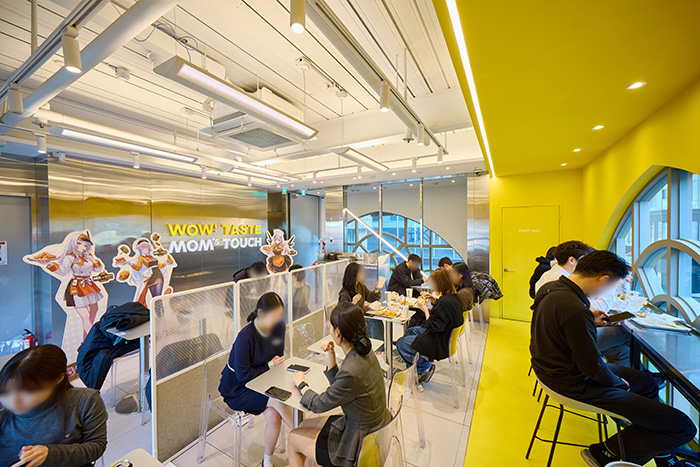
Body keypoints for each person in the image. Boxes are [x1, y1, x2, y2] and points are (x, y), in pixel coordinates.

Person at [530, 251, 696, 467]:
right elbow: (593, 368)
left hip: (551, 371)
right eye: (612, 287)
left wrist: (589, 318)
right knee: (684, 427)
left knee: (646, 382)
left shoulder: (553, 289)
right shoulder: (575, 309)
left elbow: (562, 324)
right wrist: (617, 383)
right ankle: (605, 452)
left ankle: (657, 449)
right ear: (604, 279)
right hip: (572, 382)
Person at [287, 302, 391, 467]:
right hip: (374, 428)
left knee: (293, 437)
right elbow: (343, 387)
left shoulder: (351, 369)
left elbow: (319, 404)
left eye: (330, 327)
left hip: (358, 441)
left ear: (338, 332)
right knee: (303, 425)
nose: (329, 330)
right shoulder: (365, 350)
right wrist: (331, 355)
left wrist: (302, 386)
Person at [0, 345, 108, 467]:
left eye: (27, 392)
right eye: (5, 393)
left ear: (58, 379)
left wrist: (51, 454)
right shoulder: (3, 412)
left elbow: (97, 445)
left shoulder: (84, 401)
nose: (13, 402)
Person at [219, 292, 293, 467]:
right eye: (274, 316)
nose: (277, 320)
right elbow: (243, 376)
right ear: (260, 313)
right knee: (277, 400)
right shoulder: (245, 337)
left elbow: (278, 357)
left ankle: (267, 461)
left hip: (264, 382)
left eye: (279, 315)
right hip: (238, 389)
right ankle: (304, 434)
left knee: (274, 415)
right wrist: (270, 365)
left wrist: (273, 367)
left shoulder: (279, 327)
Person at [534, 240, 632, 367]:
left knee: (621, 350)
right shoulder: (565, 288)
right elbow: (585, 309)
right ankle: (635, 376)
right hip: (563, 348)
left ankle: (629, 375)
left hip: (549, 344)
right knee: (625, 334)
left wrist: (590, 316)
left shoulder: (552, 279)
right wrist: (613, 287)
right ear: (572, 260)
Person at [396, 269, 464, 383]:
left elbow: (434, 326)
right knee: (410, 331)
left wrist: (425, 310)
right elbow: (443, 315)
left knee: (401, 343)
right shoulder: (453, 296)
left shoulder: (445, 301)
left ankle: (423, 368)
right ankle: (420, 363)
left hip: (438, 342)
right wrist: (433, 300)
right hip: (445, 336)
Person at [338, 262, 383, 340]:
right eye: (361, 273)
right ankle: (378, 346)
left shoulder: (360, 287)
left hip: (360, 317)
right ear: (354, 275)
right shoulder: (344, 293)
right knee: (372, 323)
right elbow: (343, 313)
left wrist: (377, 289)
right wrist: (353, 303)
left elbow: (370, 297)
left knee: (377, 320)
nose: (363, 275)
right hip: (351, 322)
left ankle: (381, 346)